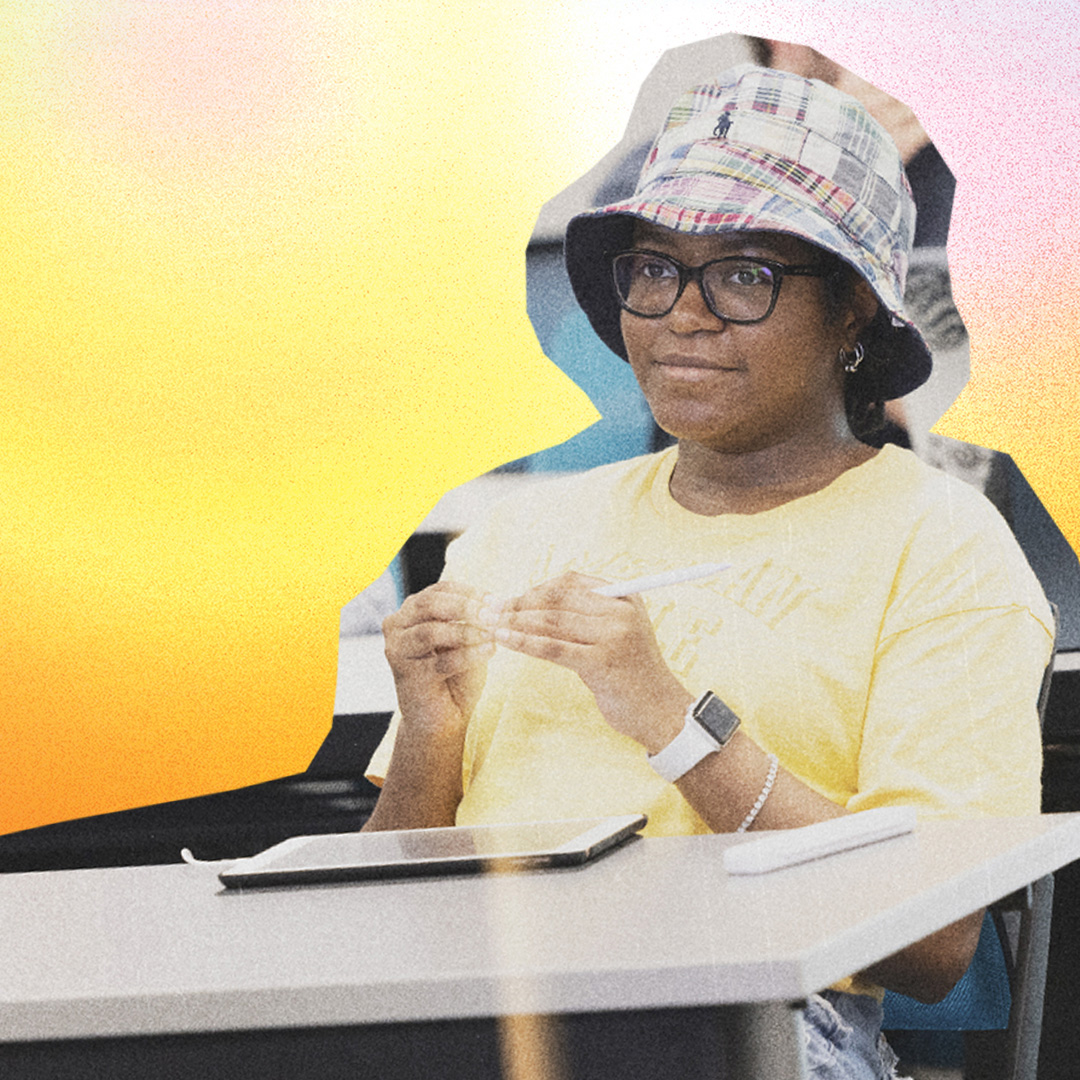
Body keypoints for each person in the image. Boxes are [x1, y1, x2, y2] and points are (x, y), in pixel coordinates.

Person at [363, 65, 1053, 1078]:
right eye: (654, 270)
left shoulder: (941, 549)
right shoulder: (527, 533)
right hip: (475, 1018)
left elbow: (932, 944)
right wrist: (431, 731)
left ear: (855, 308)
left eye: (743, 274)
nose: (681, 314)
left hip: (758, 1021)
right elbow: (382, 916)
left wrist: (675, 723)